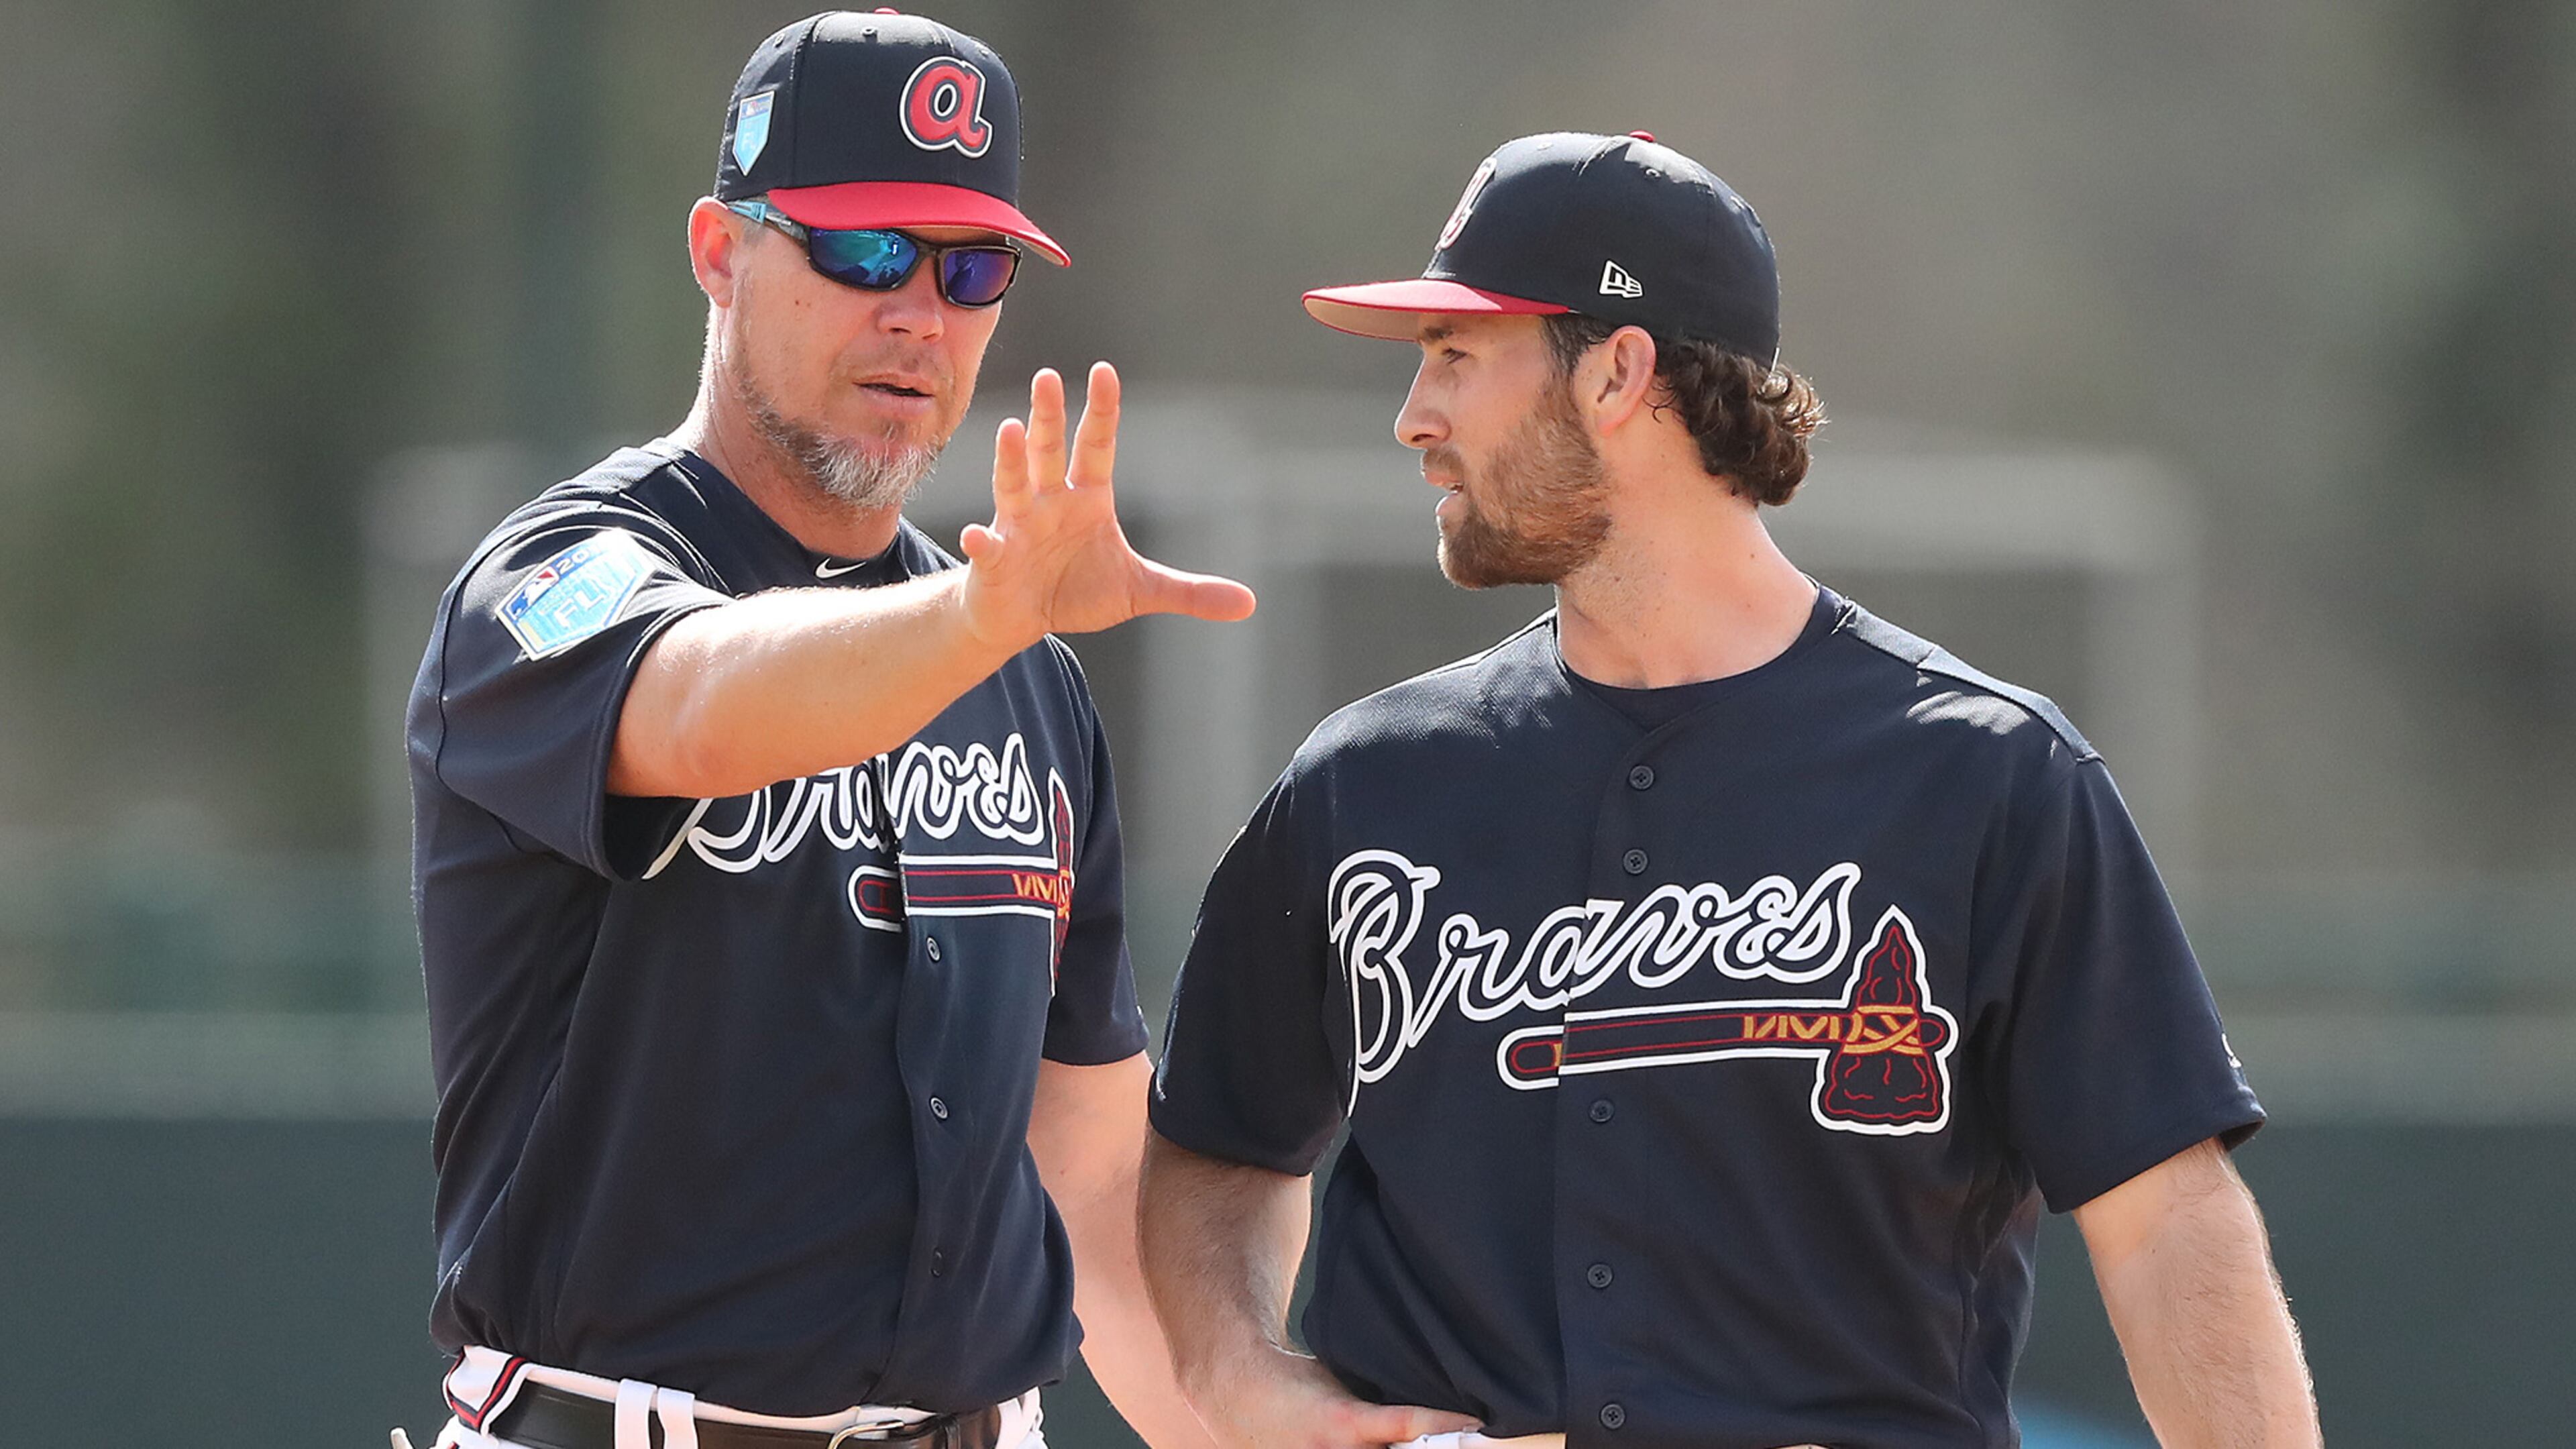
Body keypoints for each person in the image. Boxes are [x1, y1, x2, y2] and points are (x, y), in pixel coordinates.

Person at [1137, 131, 2322, 1449]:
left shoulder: (1982, 774)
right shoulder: (1366, 784)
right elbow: (1217, 1150)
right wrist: (1238, 1374)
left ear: (1620, 372)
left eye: (1458, 357)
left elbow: (2166, 1222)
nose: (1415, 415)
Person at [402, 12, 1248, 1449]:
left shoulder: (1027, 674)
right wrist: (986, 621)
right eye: (863, 250)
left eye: (968, 269)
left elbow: (1095, 1188)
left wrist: (1279, 1420)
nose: (918, 313)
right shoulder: (550, 582)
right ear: (721, 253)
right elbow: (705, 701)